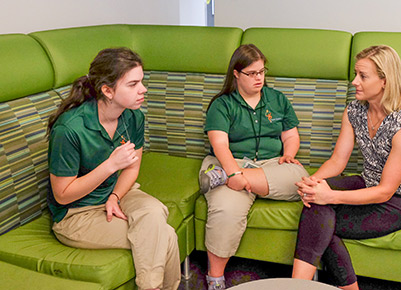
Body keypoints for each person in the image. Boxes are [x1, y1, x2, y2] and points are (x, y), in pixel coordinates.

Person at [291, 45, 401, 289]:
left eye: (363, 76)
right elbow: (337, 161)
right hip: (367, 181)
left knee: (322, 221)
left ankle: (296, 285)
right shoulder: (354, 110)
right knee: (316, 198)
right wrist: (312, 181)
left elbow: (385, 191)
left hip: (400, 200)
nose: (354, 82)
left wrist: (330, 195)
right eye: (355, 74)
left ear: (384, 81)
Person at [47, 47, 180, 290]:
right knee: (166, 236)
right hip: (77, 213)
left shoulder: (133, 116)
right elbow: (62, 194)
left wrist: (115, 196)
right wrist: (110, 165)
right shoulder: (70, 130)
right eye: (133, 84)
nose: (143, 89)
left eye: (142, 81)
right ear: (107, 90)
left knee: (153, 213)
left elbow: (131, 169)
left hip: (117, 193)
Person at [199, 44, 309, 290]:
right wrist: (234, 170)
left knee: (301, 180)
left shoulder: (277, 99)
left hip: (271, 165)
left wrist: (289, 154)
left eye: (262, 71)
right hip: (230, 161)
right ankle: (215, 278)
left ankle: (221, 178)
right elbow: (220, 146)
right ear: (236, 74)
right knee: (226, 210)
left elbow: (290, 136)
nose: (259, 78)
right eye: (252, 73)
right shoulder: (222, 104)